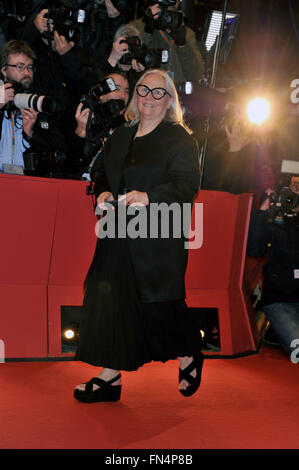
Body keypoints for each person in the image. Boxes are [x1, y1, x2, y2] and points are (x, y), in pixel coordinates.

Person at [74, 68, 204, 403]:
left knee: (158, 305)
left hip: (156, 236)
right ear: (135, 95)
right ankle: (110, 376)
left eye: (158, 92)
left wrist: (149, 196)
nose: (149, 97)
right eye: (143, 90)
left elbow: (187, 186)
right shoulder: (121, 134)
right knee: (108, 302)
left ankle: (189, 350)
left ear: (169, 100)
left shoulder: (180, 139)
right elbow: (100, 171)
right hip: (116, 232)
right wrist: (101, 193)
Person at [247, 176, 299, 358]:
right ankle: (275, 331)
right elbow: (254, 250)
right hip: (279, 301)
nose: (294, 196)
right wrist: (263, 210)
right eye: (292, 189)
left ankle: (274, 334)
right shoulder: (274, 223)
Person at [0, 39, 66, 174]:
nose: (27, 73)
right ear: (4, 70)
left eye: (30, 67)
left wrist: (29, 134)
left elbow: (58, 150)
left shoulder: (38, 103)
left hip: (28, 181)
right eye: (20, 66)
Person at [128, 0, 204, 84]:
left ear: (178, 3)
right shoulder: (135, 28)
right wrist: (147, 31)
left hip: (177, 94)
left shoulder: (186, 33)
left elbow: (196, 75)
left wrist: (182, 45)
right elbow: (130, 68)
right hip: (149, 92)